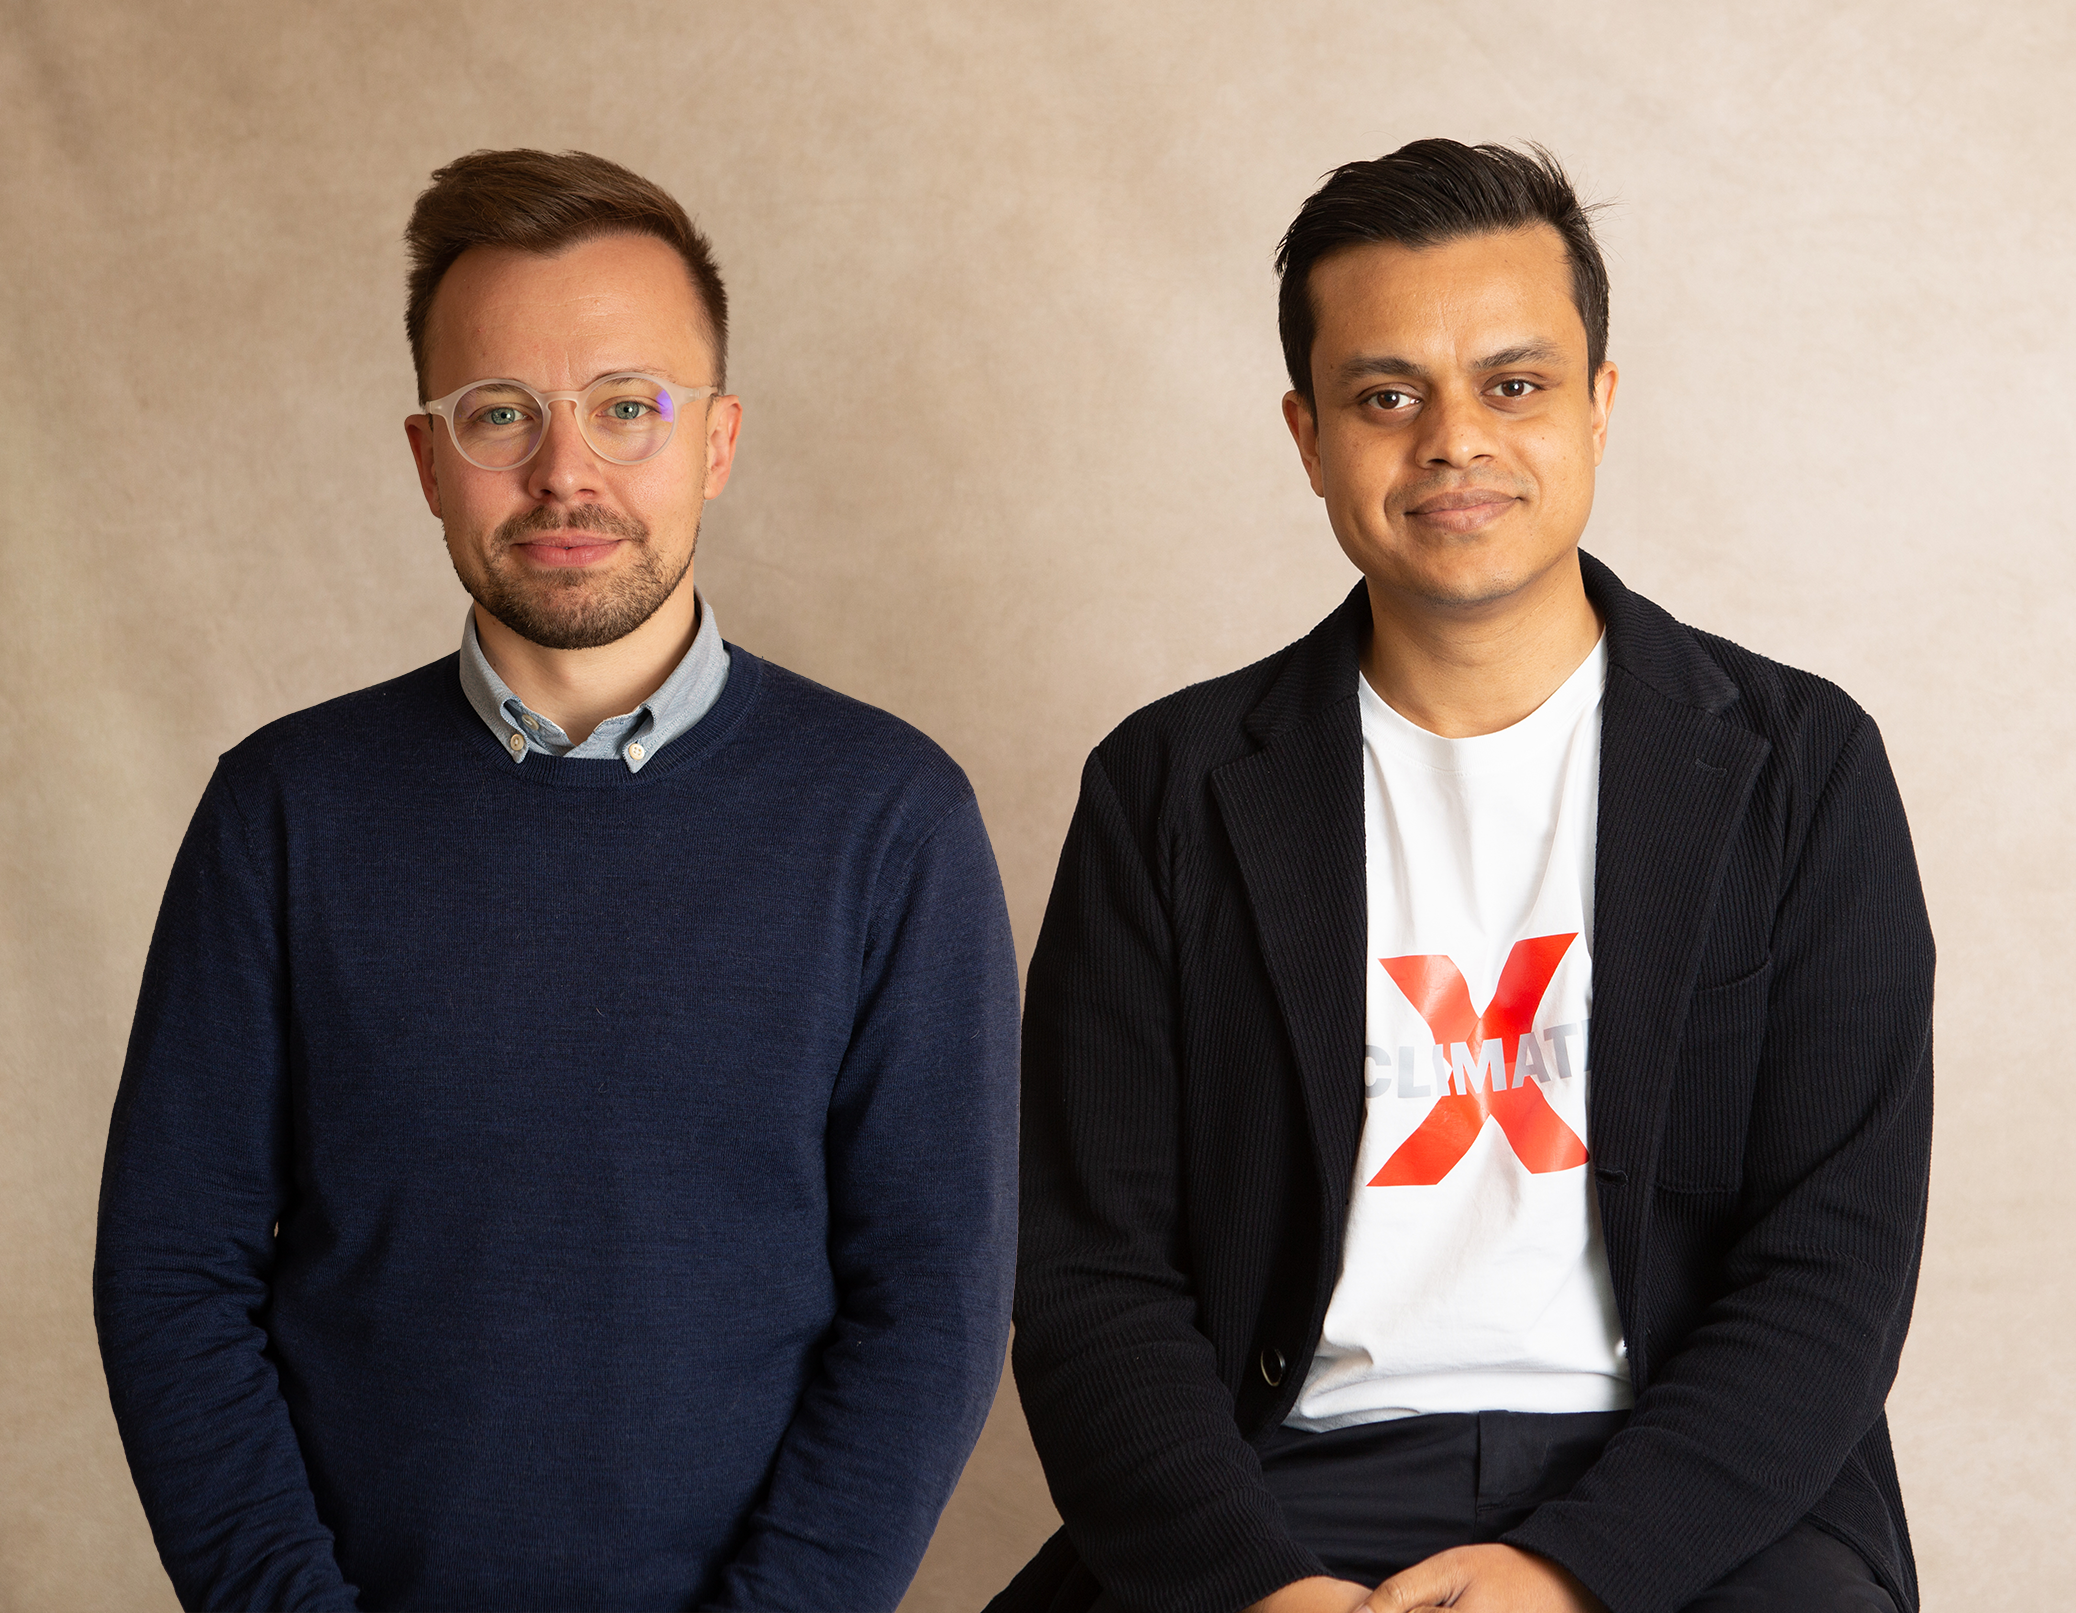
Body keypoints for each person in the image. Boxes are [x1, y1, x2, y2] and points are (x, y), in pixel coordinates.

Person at [994, 141, 1932, 1613]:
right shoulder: (1165, 792)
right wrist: (1263, 1589)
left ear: (1599, 408)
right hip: (1282, 1485)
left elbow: (1834, 1268)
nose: (1452, 440)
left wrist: (1569, 1571)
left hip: (1694, 1498)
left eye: (1514, 384)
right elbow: (1086, 1279)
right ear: (1308, 437)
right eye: (1387, 394)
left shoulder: (1801, 769)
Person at [94, 148, 1020, 1612]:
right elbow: (169, 1276)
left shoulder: (890, 820)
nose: (564, 471)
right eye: (500, 414)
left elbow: (934, 1305)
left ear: (716, 442)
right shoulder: (282, 810)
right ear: (425, 457)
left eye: (627, 407)